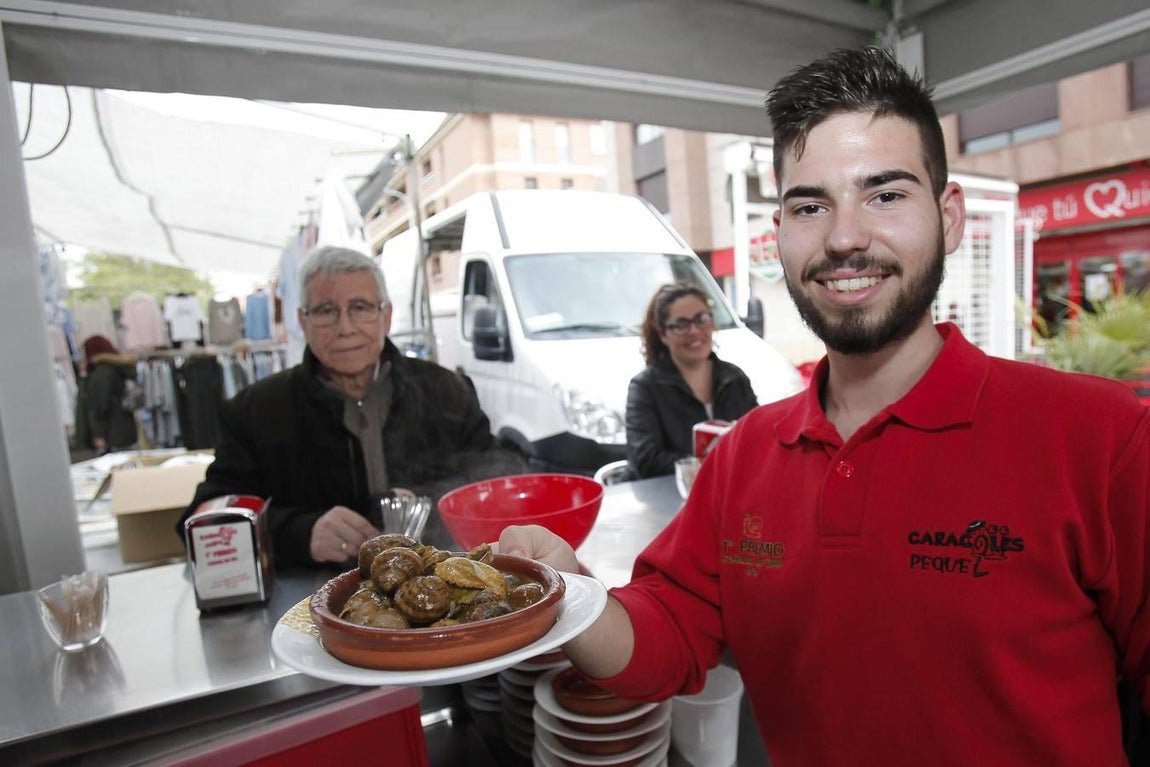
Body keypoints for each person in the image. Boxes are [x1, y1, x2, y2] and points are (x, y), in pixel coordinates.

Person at [500, 46, 1150, 766]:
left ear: (950, 215)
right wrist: (568, 592)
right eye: (810, 205)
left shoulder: (1106, 436)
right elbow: (667, 640)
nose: (844, 238)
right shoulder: (744, 453)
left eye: (885, 194)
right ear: (779, 231)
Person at [181, 246, 525, 568]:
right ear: (303, 322)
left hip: (441, 585)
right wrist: (300, 532)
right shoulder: (255, 411)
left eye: (360, 307)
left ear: (386, 316)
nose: (345, 328)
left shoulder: (446, 390)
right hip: (312, 599)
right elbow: (203, 521)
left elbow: (494, 481)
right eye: (326, 311)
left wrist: (424, 501)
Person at [625, 282, 757, 478]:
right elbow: (645, 459)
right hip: (673, 497)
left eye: (702, 319)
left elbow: (757, 438)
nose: (694, 331)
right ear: (663, 334)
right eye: (681, 324)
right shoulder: (645, 387)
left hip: (732, 492)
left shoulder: (734, 377)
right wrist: (708, 464)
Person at [78, 334, 139, 455]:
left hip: (111, 433)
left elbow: (99, 406)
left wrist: (98, 434)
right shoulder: (118, 369)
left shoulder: (101, 373)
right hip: (126, 428)